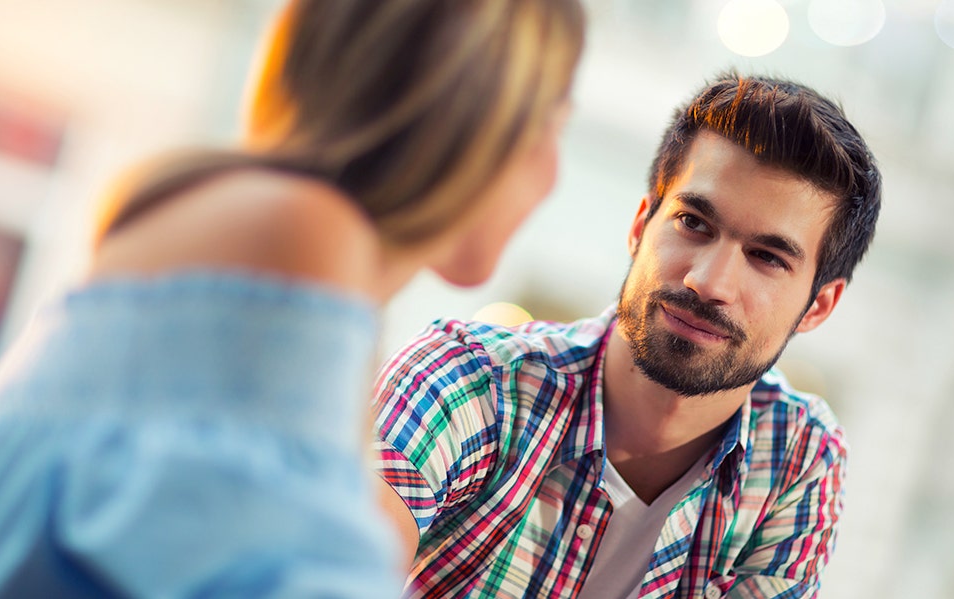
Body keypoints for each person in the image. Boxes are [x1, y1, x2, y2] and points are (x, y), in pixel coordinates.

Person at [0, 0, 584, 597]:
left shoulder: (221, 228)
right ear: (476, 119)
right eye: (553, 121)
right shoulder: (302, 243)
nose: (554, 174)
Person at [373, 72, 882, 599]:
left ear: (817, 306)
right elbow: (325, 561)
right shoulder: (470, 381)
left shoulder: (796, 457)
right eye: (694, 223)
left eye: (767, 258)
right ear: (641, 226)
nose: (708, 282)